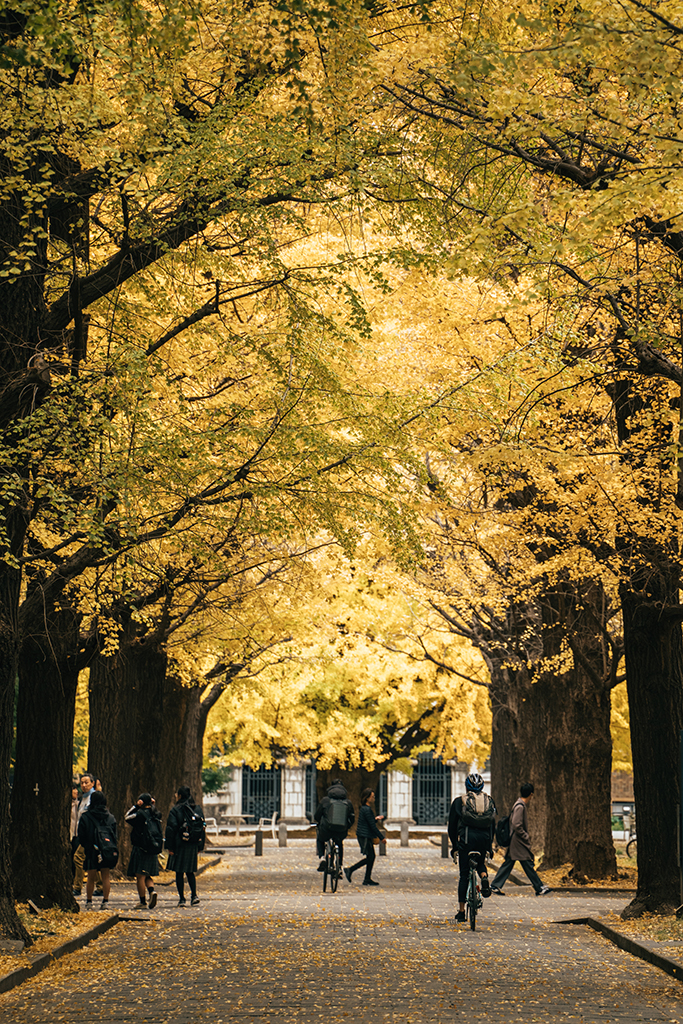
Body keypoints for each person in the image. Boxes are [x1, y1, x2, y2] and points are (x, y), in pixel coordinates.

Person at [448, 772, 495, 923]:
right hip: (483, 840)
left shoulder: (459, 802)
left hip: (466, 841)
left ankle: (462, 912)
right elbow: (492, 825)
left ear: (466, 787)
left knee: (464, 875)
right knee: (480, 863)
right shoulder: (489, 801)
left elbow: (452, 827)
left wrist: (455, 846)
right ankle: (485, 878)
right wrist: (489, 847)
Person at [490, 782, 552, 896]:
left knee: (510, 863)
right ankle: (539, 887)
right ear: (531, 794)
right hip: (518, 842)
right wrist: (525, 836)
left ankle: (495, 885)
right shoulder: (520, 806)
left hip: (515, 841)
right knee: (527, 864)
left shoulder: (518, 804)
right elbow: (516, 824)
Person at [165, 786, 205, 907]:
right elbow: (202, 827)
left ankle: (182, 898)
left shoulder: (176, 810)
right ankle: (194, 895)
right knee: (190, 872)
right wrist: (200, 845)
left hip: (179, 844)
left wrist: (169, 846)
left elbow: (171, 828)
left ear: (180, 796)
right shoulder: (197, 808)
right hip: (192, 844)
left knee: (179, 872)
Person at [77, 790, 117, 910]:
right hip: (106, 850)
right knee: (105, 876)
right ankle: (105, 901)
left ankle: (89, 901)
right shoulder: (110, 817)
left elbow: (81, 836)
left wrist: (86, 846)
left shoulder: (86, 816)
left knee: (91, 877)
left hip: (91, 849)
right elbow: (115, 835)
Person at [125, 792, 162, 910]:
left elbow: (127, 817)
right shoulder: (155, 814)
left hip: (140, 847)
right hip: (152, 847)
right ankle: (152, 891)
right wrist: (152, 805)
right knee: (148, 874)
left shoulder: (139, 814)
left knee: (140, 876)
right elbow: (154, 811)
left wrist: (136, 806)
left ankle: (142, 901)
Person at [344, 788, 385, 886]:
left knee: (371, 856)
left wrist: (375, 819)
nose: (374, 798)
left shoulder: (365, 808)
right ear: (367, 798)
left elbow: (369, 821)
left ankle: (366, 878)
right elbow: (372, 826)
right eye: (372, 796)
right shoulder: (366, 809)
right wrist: (381, 837)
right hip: (364, 836)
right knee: (370, 856)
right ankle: (350, 869)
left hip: (364, 835)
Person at [314, 779, 355, 873]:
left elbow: (317, 816)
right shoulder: (348, 802)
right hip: (341, 831)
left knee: (320, 839)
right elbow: (352, 818)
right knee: (339, 843)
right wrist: (346, 826)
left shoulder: (325, 800)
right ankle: (339, 866)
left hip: (326, 830)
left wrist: (320, 822)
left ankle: (322, 857)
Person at [73, 772, 102, 896]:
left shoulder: (93, 797)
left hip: (90, 835)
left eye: (86, 782)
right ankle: (100, 886)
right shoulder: (83, 798)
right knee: (92, 859)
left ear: (92, 783)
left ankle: (77, 887)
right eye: (82, 783)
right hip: (83, 835)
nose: (84, 785)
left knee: (78, 858)